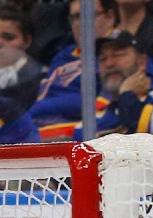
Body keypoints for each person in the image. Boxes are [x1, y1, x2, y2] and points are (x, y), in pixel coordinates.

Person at [57, 30, 153, 140]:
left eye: (118, 55)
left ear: (142, 62)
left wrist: (126, 94)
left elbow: (146, 127)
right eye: (103, 58)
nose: (109, 63)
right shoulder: (90, 124)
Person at [30, 0, 119, 132]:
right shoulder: (63, 55)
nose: (80, 23)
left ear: (110, 17)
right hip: (35, 127)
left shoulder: (116, 55)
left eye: (88, 15)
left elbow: (106, 104)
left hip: (72, 133)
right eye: (75, 17)